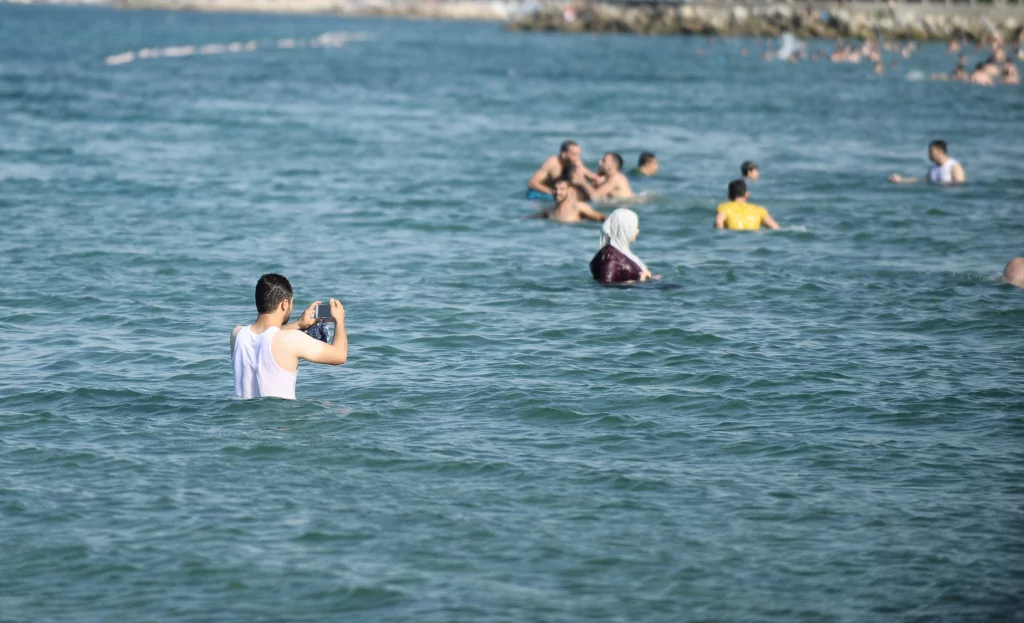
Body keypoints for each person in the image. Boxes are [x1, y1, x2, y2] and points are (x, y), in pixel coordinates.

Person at [231, 274, 348, 400]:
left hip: (243, 417)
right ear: (284, 304)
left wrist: (298, 324)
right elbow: (340, 355)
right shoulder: (291, 339)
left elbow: (265, 335)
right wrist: (339, 320)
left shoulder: (237, 335)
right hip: (279, 417)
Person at [589, 208, 654, 284]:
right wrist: (639, 281)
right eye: (635, 226)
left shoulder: (619, 252)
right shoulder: (610, 256)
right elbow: (605, 287)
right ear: (625, 228)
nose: (638, 230)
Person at [529, 176, 606, 223]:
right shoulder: (549, 211)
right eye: (555, 189)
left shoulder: (578, 207)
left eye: (562, 189)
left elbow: (601, 218)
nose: (557, 192)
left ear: (570, 190)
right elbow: (529, 219)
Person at [889, 140, 966, 185]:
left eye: (931, 151)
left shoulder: (954, 166)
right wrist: (901, 180)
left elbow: (960, 185)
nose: (928, 154)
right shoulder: (933, 167)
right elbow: (921, 180)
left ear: (940, 151)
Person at [715, 179, 779, 231]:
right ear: (747, 194)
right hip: (753, 241)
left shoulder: (724, 207)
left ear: (728, 195)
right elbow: (775, 227)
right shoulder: (759, 210)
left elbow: (718, 222)